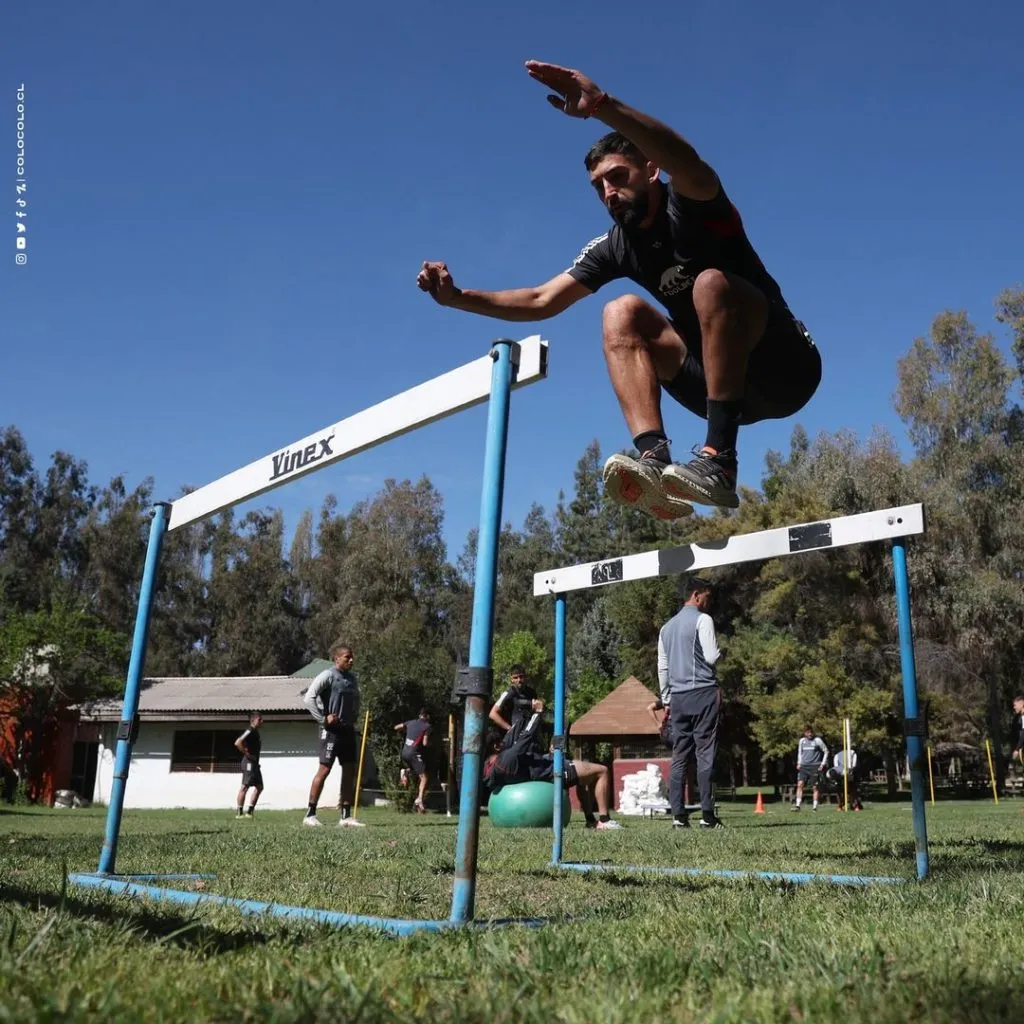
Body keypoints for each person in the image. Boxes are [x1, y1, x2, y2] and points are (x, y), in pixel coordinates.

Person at [418, 60, 820, 520]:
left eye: (617, 177)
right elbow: (539, 300)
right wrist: (457, 298)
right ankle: (654, 463)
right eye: (598, 187)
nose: (608, 193)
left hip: (787, 367)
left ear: (651, 170)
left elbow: (685, 160)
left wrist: (603, 106)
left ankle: (719, 462)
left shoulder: (693, 201)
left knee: (709, 284)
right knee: (620, 311)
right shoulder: (616, 247)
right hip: (718, 385)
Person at [484, 699, 622, 830]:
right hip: (550, 771)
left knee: (584, 777)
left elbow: (512, 735)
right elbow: (526, 736)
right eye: (501, 742)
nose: (504, 742)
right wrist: (538, 713)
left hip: (541, 767)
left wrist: (525, 715)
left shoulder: (491, 767)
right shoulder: (507, 758)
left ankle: (591, 820)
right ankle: (604, 820)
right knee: (601, 770)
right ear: (496, 746)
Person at [658, 576, 724, 829]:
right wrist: (720, 652)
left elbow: (662, 667)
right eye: (707, 596)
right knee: (705, 753)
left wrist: (666, 699)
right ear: (696, 595)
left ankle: (678, 815)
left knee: (680, 756)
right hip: (703, 693)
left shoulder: (666, 628)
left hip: (678, 698)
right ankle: (707, 816)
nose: (709, 601)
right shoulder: (703, 620)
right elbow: (711, 656)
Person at [301, 642, 365, 828]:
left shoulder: (352, 678)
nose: (351, 660)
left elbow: (356, 700)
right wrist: (323, 719)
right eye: (347, 657)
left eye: (352, 657)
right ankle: (310, 814)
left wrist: (354, 716)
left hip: (347, 730)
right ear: (337, 659)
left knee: (349, 770)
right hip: (331, 731)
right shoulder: (328, 675)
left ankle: (345, 817)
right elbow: (309, 697)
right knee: (324, 769)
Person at [394, 708, 433, 814]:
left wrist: (407, 732)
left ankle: (405, 771)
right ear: (427, 716)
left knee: (415, 769)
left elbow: (396, 727)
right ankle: (419, 799)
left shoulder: (411, 722)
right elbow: (425, 743)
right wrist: (431, 744)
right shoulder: (427, 726)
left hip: (405, 751)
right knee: (424, 777)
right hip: (413, 753)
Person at [489, 665, 538, 734]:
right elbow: (493, 714)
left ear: (525, 677)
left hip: (528, 734)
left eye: (521, 677)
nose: (519, 680)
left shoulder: (531, 693)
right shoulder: (508, 693)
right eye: (515, 678)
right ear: (511, 679)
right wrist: (510, 728)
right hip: (515, 735)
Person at [792, 726, 830, 811]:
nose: (809, 734)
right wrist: (799, 762)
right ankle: (798, 805)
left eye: (811, 732)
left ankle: (815, 807)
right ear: (804, 733)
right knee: (800, 784)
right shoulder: (802, 741)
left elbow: (826, 751)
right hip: (804, 766)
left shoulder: (817, 741)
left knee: (815, 787)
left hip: (815, 766)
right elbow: (800, 752)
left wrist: (822, 764)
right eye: (807, 732)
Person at [234, 712, 263, 819]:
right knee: (245, 786)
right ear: (253, 720)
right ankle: (239, 813)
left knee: (259, 787)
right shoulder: (249, 730)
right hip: (249, 763)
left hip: (255, 764)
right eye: (259, 720)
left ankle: (249, 812)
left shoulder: (256, 732)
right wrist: (246, 754)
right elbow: (237, 742)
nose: (262, 722)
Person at [826, 746, 863, 812]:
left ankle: (855, 805)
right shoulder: (828, 774)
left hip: (848, 774)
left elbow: (853, 765)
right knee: (839, 791)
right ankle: (840, 805)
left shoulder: (852, 752)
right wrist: (836, 782)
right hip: (841, 776)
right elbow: (836, 765)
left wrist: (850, 772)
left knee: (852, 789)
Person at [1010, 696, 1024, 765]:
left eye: (1015, 705)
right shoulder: (1019, 717)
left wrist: (1017, 749)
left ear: (1022, 704)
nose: (1014, 707)